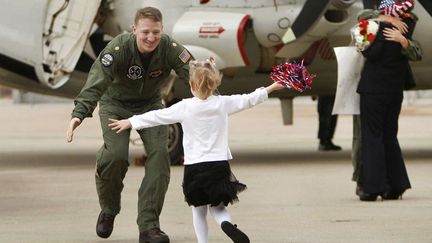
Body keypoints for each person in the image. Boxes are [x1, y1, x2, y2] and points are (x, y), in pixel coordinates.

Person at [108, 58, 285, 243]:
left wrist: (131, 121)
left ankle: (203, 242)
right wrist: (271, 87)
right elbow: (249, 99)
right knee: (218, 208)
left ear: (191, 84)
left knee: (198, 210)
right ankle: (226, 224)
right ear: (215, 82)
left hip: (195, 167)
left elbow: (157, 116)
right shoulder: (223, 103)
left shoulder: (185, 107)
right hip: (219, 165)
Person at [66, 7, 191, 243]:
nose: (151, 38)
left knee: (160, 156)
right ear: (134, 29)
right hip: (116, 105)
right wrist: (79, 114)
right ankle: (109, 208)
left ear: (161, 30)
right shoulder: (117, 49)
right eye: (145, 32)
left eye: (156, 32)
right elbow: (95, 82)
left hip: (151, 105)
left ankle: (149, 227)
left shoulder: (169, 48)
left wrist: (214, 102)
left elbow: (195, 75)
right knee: (116, 155)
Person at [355, 0, 420, 201]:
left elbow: (368, 52)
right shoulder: (406, 27)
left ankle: (373, 188)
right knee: (390, 136)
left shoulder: (368, 26)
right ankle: (396, 186)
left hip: (373, 89)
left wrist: (379, 22)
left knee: (372, 137)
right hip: (394, 90)